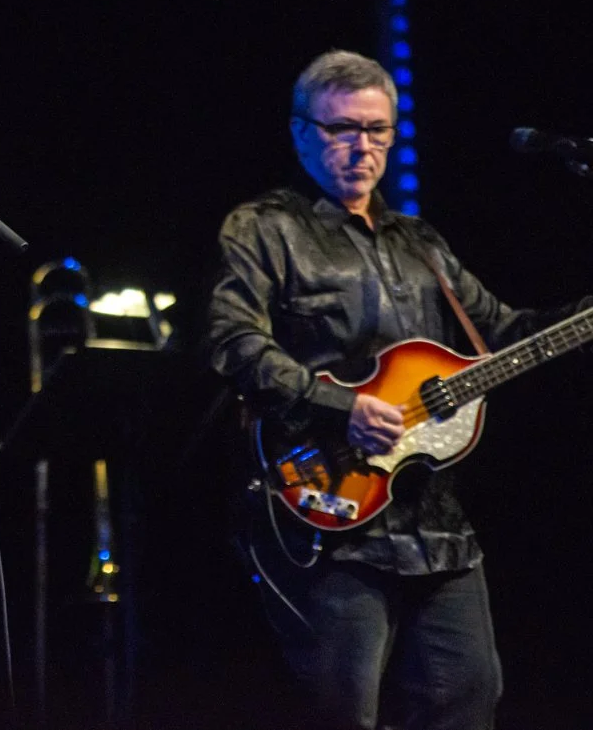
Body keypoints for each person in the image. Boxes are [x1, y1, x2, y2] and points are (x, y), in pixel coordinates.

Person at [206, 49, 587, 730]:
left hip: (435, 521)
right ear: (300, 132)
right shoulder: (265, 227)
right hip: (330, 509)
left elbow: (501, 332)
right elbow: (233, 341)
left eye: (378, 129)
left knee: (469, 697)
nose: (364, 146)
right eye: (342, 128)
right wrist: (342, 406)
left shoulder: (420, 242)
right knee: (342, 713)